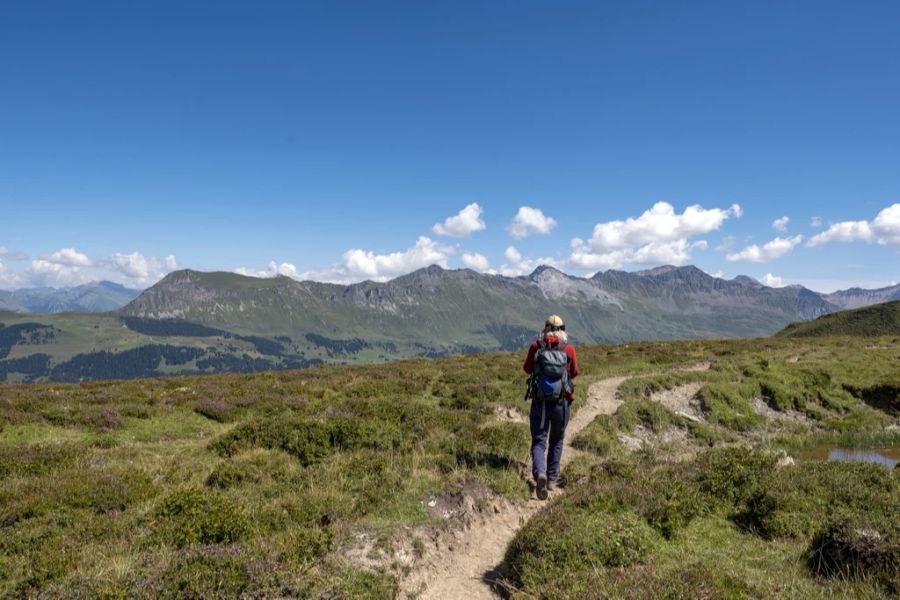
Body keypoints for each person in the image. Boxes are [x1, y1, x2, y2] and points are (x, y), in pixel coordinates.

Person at [523, 314, 579, 500]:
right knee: (557, 439)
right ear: (563, 329)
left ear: (545, 328)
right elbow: (575, 372)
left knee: (539, 441)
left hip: (540, 403)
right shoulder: (569, 349)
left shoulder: (536, 347)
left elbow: (527, 368)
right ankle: (552, 479)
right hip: (561, 404)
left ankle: (540, 473)